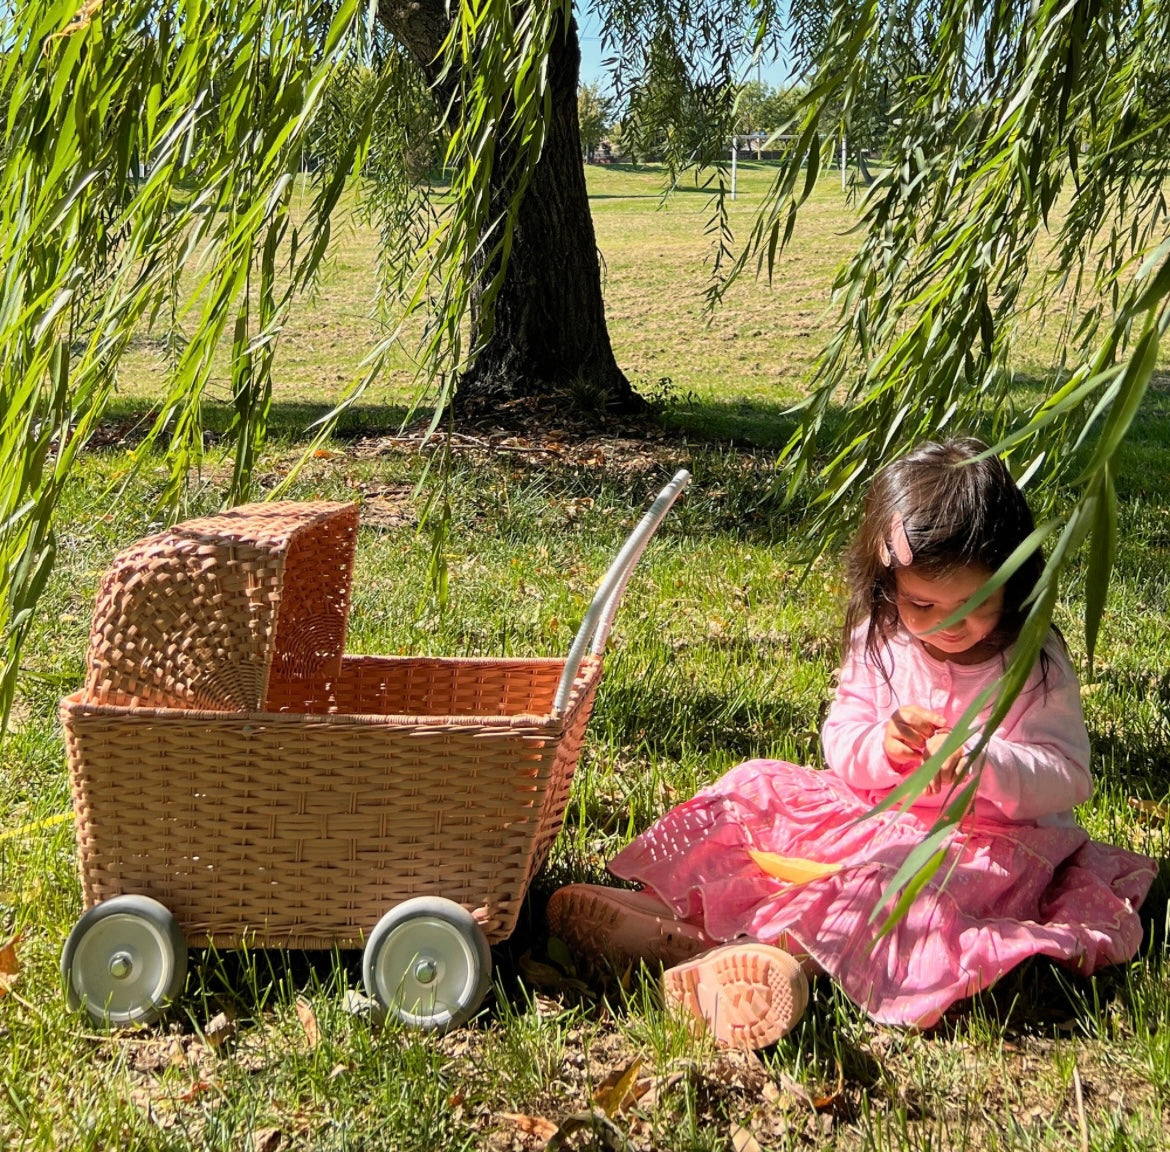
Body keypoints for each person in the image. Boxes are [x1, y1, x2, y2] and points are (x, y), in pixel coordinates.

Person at [547, 438, 1157, 1049]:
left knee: (882, 883)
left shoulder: (1033, 657)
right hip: (876, 811)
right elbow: (842, 737)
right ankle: (673, 921)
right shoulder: (881, 636)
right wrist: (883, 748)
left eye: (971, 604)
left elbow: (1068, 773)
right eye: (923, 603)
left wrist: (985, 762)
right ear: (887, 583)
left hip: (983, 843)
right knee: (755, 788)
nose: (946, 624)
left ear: (1012, 581)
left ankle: (774, 962)